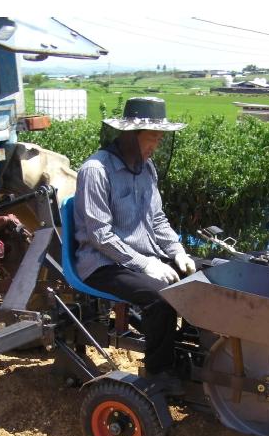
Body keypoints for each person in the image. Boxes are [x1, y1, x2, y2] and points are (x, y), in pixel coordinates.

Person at [73, 97, 195, 396]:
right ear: (131, 136)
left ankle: (188, 355)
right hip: (100, 263)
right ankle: (157, 373)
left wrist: (178, 251)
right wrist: (145, 264)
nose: (156, 144)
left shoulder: (147, 169)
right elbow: (100, 235)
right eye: (153, 137)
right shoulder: (95, 171)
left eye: (159, 138)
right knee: (159, 299)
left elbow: (157, 219)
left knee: (202, 280)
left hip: (140, 256)